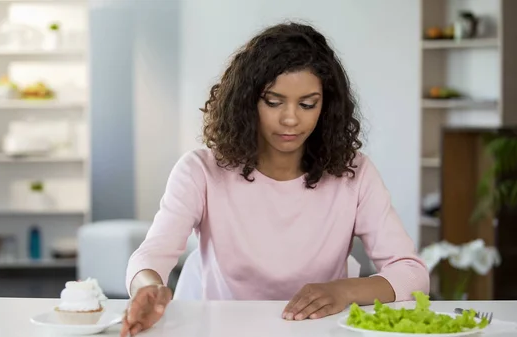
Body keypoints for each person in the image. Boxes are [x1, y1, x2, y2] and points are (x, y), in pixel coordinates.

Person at [120, 21, 429, 337]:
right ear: (247, 101)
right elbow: (151, 256)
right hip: (223, 330)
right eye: (273, 101)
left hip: (320, 331)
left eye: (308, 104)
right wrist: (149, 288)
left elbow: (411, 272)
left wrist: (344, 292)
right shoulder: (200, 171)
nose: (291, 118)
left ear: (327, 106)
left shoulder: (355, 173)